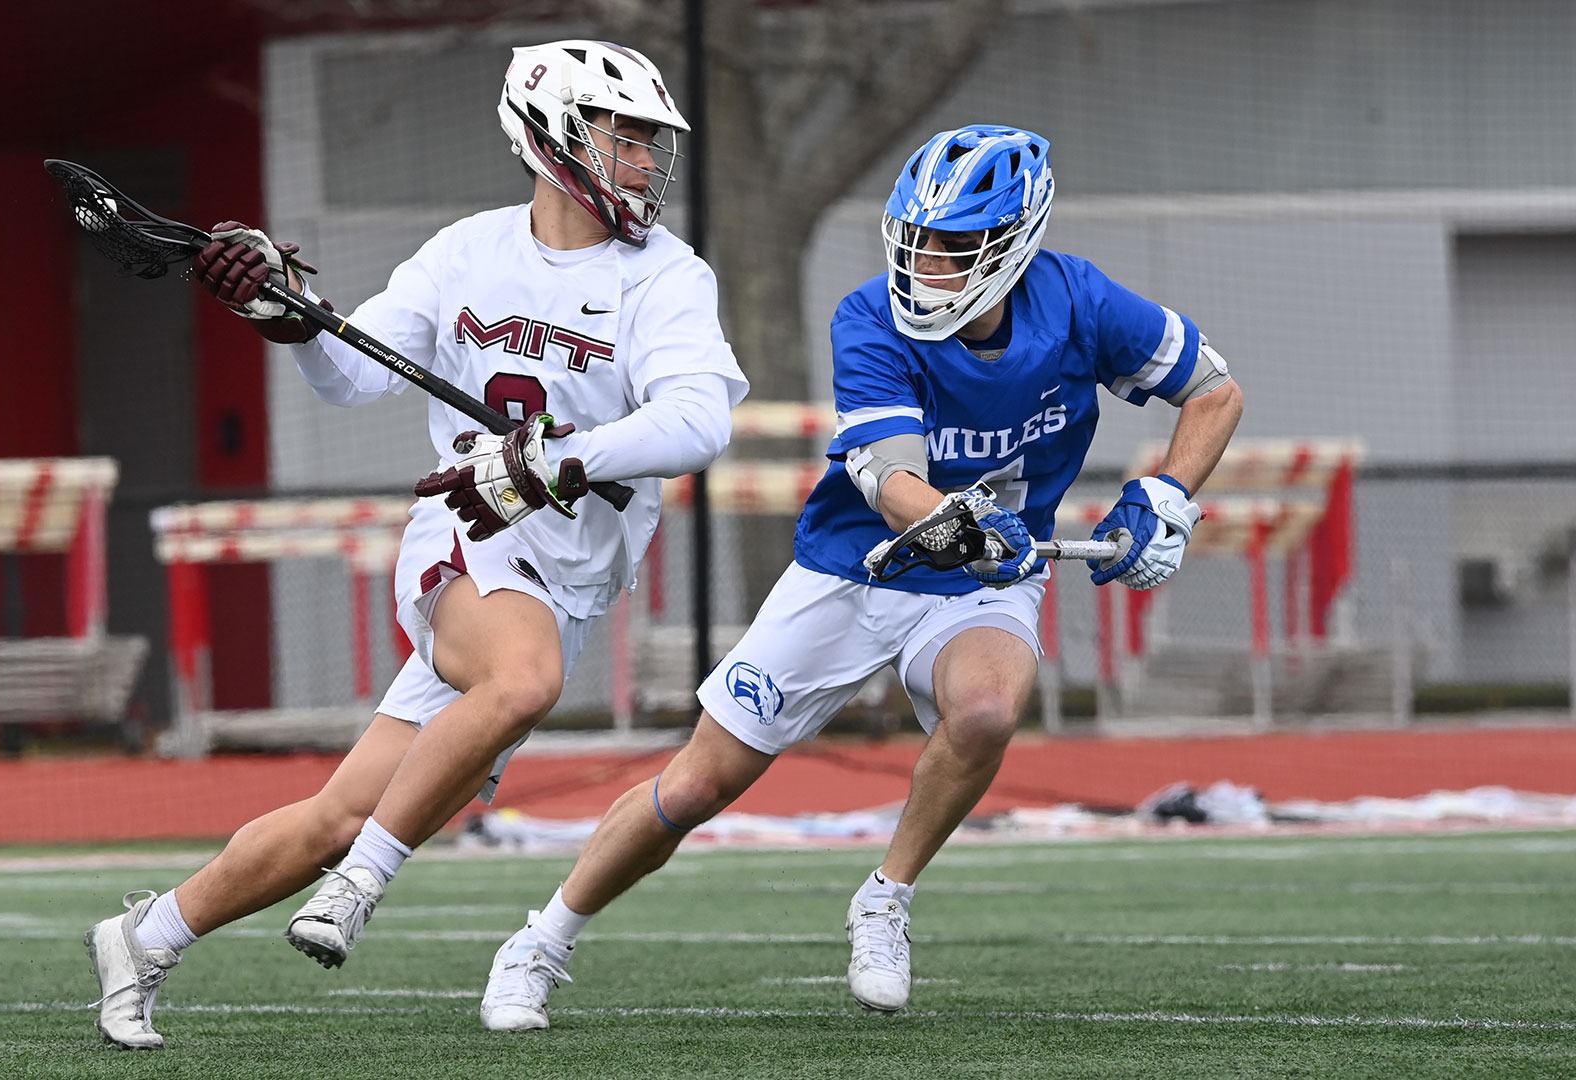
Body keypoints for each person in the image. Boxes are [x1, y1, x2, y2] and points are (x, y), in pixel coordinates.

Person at [476, 124, 1244, 1030]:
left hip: (981, 583)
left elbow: (1213, 389)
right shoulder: (870, 314)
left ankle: (886, 896)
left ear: (1014, 249)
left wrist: (1166, 496)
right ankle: (542, 940)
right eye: (916, 242)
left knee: (992, 709)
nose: (926, 267)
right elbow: (890, 481)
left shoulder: (1080, 302)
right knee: (694, 786)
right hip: (854, 566)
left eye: (954, 250)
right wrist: (953, 521)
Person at [84, 39, 747, 1050]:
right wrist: (286, 320)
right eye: (628, 137)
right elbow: (356, 374)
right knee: (520, 682)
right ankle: (363, 889)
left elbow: (699, 421)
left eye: (656, 142)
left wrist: (563, 462)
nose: (651, 161)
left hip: (568, 572)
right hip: (468, 532)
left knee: (339, 813)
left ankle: (145, 935)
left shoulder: (664, 277)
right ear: (555, 135)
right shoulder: (466, 252)